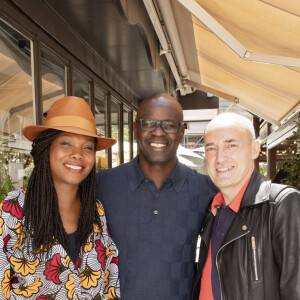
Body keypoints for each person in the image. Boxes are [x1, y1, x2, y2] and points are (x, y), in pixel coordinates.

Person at [96, 93, 217, 299]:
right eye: (149, 123)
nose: (158, 133)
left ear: (181, 133)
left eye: (169, 125)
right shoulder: (102, 186)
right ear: (135, 129)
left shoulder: (205, 189)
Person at [0, 96, 120, 299]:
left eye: (87, 147)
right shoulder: (13, 211)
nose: (77, 154)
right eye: (66, 143)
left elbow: (110, 282)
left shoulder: (96, 212)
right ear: (46, 149)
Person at [193, 112, 300, 300]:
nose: (219, 158)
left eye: (231, 145)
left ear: (255, 149)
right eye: (211, 148)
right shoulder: (211, 212)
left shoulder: (281, 204)